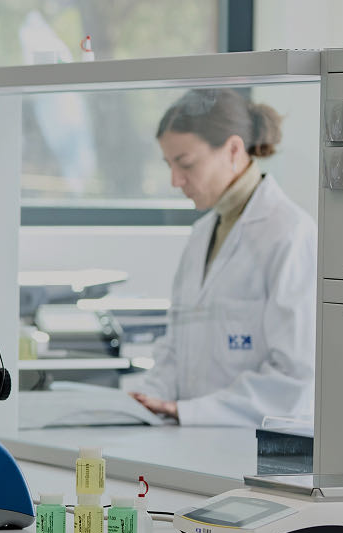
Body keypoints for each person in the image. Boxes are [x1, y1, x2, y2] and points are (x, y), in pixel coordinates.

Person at [130, 88, 316, 426]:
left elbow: (295, 377)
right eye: (169, 165)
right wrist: (146, 399)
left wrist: (192, 412)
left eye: (185, 164)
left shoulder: (289, 233)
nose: (175, 180)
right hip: (188, 440)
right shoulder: (203, 234)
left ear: (232, 149)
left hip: (254, 446)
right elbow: (176, 348)